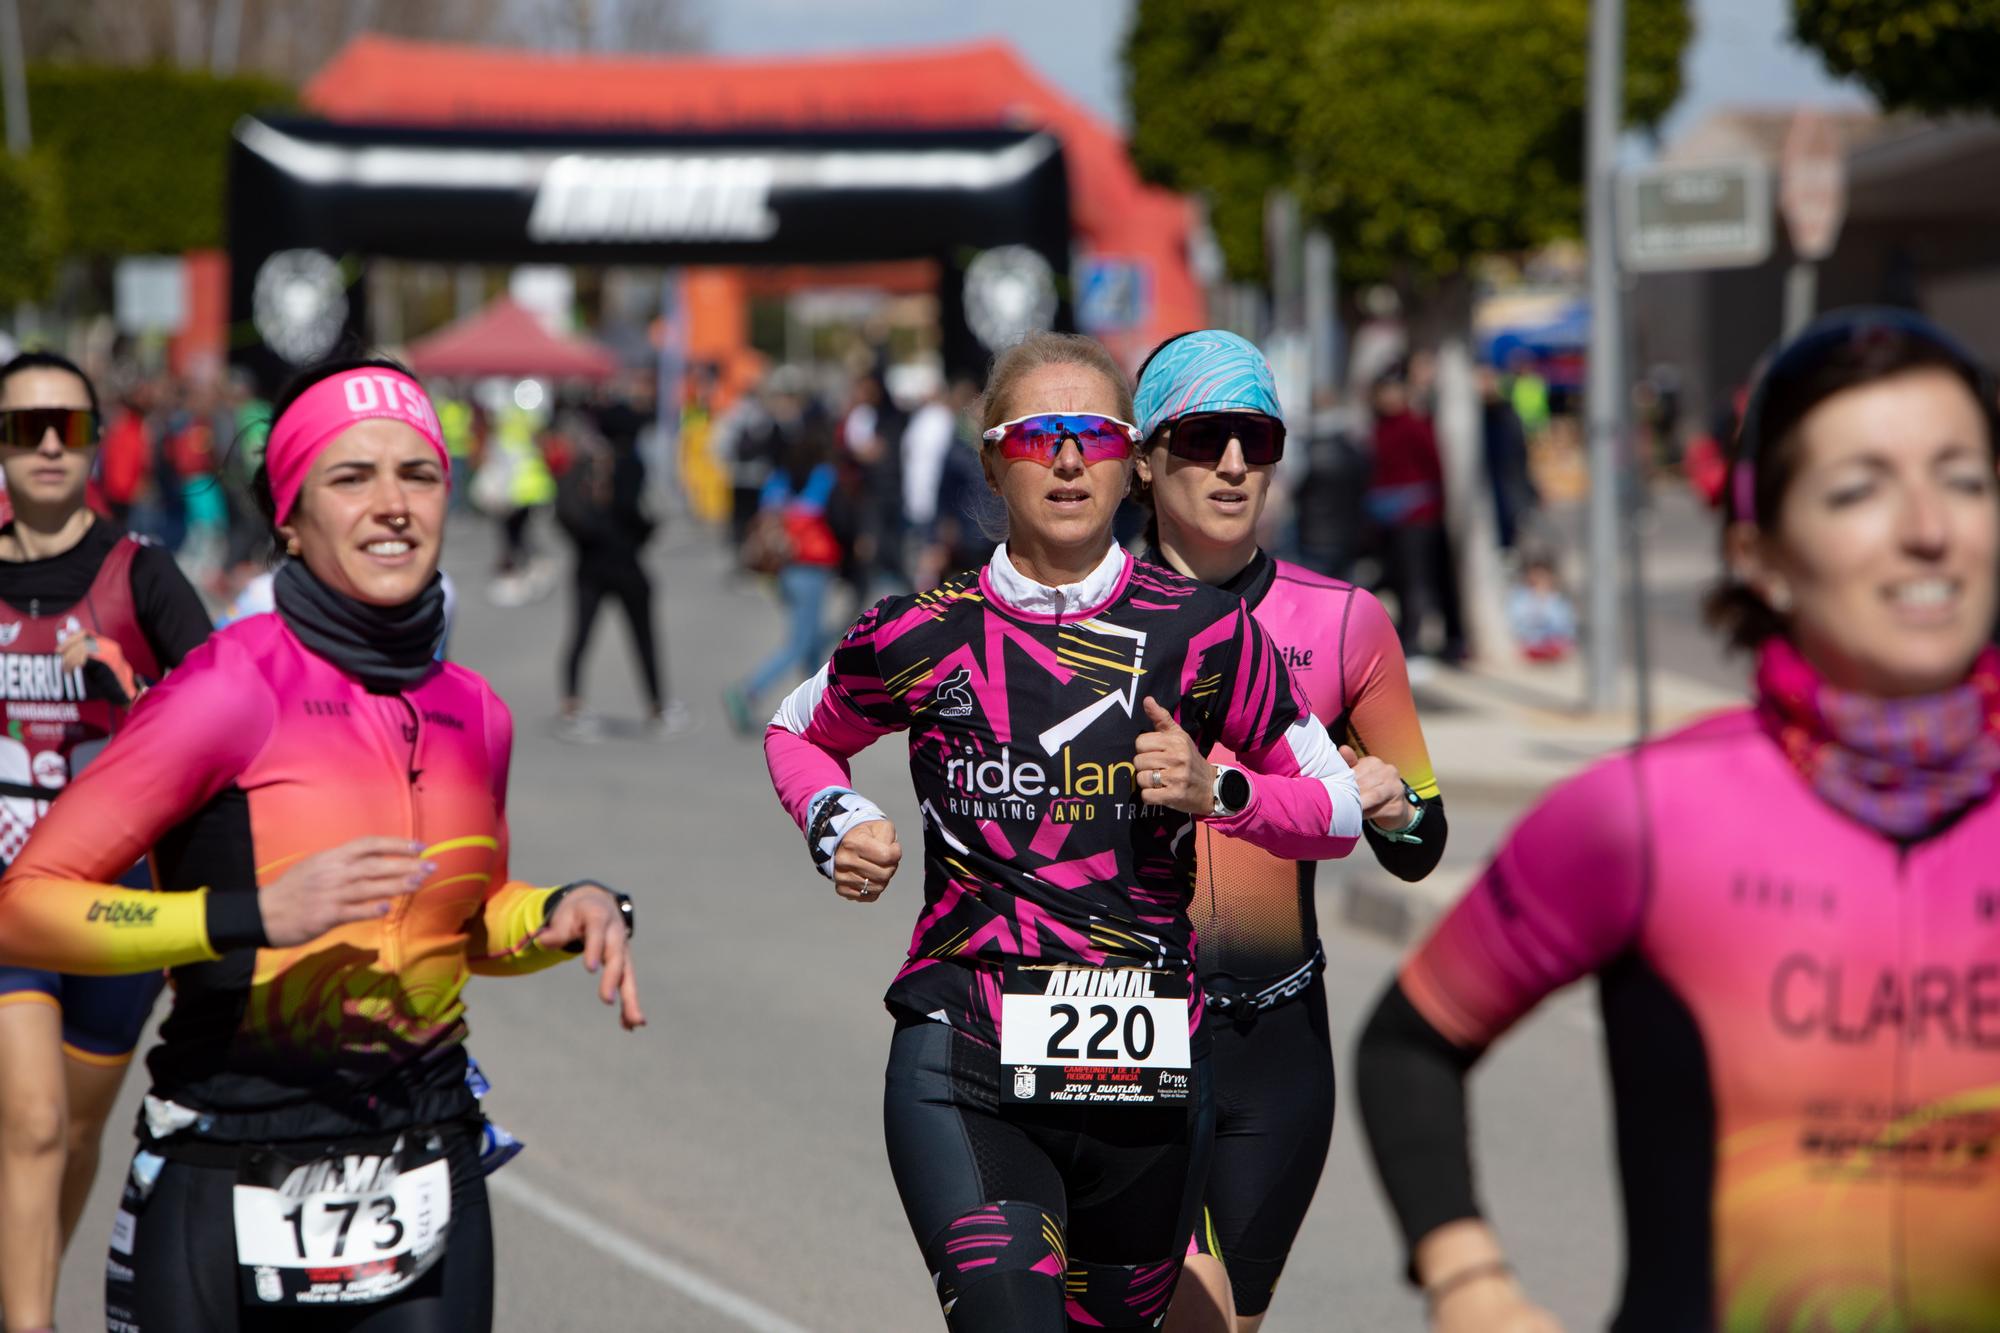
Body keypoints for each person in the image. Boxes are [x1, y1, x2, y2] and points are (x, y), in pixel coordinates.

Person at [1356, 308, 2000, 1331]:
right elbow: (1408, 1044)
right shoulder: (1642, 816)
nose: (1927, 525)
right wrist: (1468, 1283)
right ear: (1759, 553)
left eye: (1962, 477)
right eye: (1857, 488)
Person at [0, 353, 643, 1333]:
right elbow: (24, 905)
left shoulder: (476, 710)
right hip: (226, 1162)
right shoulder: (224, 687)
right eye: (351, 477)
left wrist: (565, 912)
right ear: (291, 522)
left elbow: (463, 922)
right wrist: (253, 914)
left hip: (424, 1163)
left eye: (415, 473)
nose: (392, 503)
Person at [762, 331, 1366, 1332]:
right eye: (1040, 436)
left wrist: (1219, 791)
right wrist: (835, 815)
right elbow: (797, 731)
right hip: (964, 1054)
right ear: (994, 460)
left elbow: (1339, 809)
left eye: (1094, 434)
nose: (1070, 459)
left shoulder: (1204, 633)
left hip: (1145, 1081)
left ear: (1132, 461)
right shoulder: (917, 632)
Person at [1129, 332, 1447, 1333]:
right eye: (1204, 436)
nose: (1232, 465)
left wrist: (1393, 805)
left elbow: (1423, 836)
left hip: (1275, 1041)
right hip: (1117, 1028)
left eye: (1256, 440)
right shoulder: (1077, 616)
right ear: (1144, 456)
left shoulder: (1345, 622)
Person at [0, 351, 212, 1333]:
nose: (48, 443)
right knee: (33, 1120)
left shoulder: (146, 577)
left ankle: (20, 1289)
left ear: (94, 442)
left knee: (75, 1132)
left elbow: (222, 720)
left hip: (116, 901)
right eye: (24, 426)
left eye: (69, 426)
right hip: (8, 900)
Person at [555, 406, 687, 740]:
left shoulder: (585, 464)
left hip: (590, 564)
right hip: (627, 564)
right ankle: (657, 707)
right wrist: (636, 535)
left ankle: (572, 705)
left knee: (581, 635)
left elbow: (564, 511)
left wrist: (590, 536)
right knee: (643, 638)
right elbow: (646, 513)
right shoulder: (633, 465)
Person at [722, 417, 847, 737]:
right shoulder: (824, 477)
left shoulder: (778, 478)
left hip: (782, 568)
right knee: (800, 643)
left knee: (811, 645)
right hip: (811, 567)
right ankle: (748, 690)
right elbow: (835, 517)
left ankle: (819, 711)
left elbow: (767, 513)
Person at [1366, 366, 1463, 662]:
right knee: (1395, 579)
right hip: (1387, 518)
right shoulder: (1379, 427)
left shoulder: (1415, 425)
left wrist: (1435, 509)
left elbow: (1435, 467)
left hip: (1418, 517)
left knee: (1416, 581)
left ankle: (1414, 641)